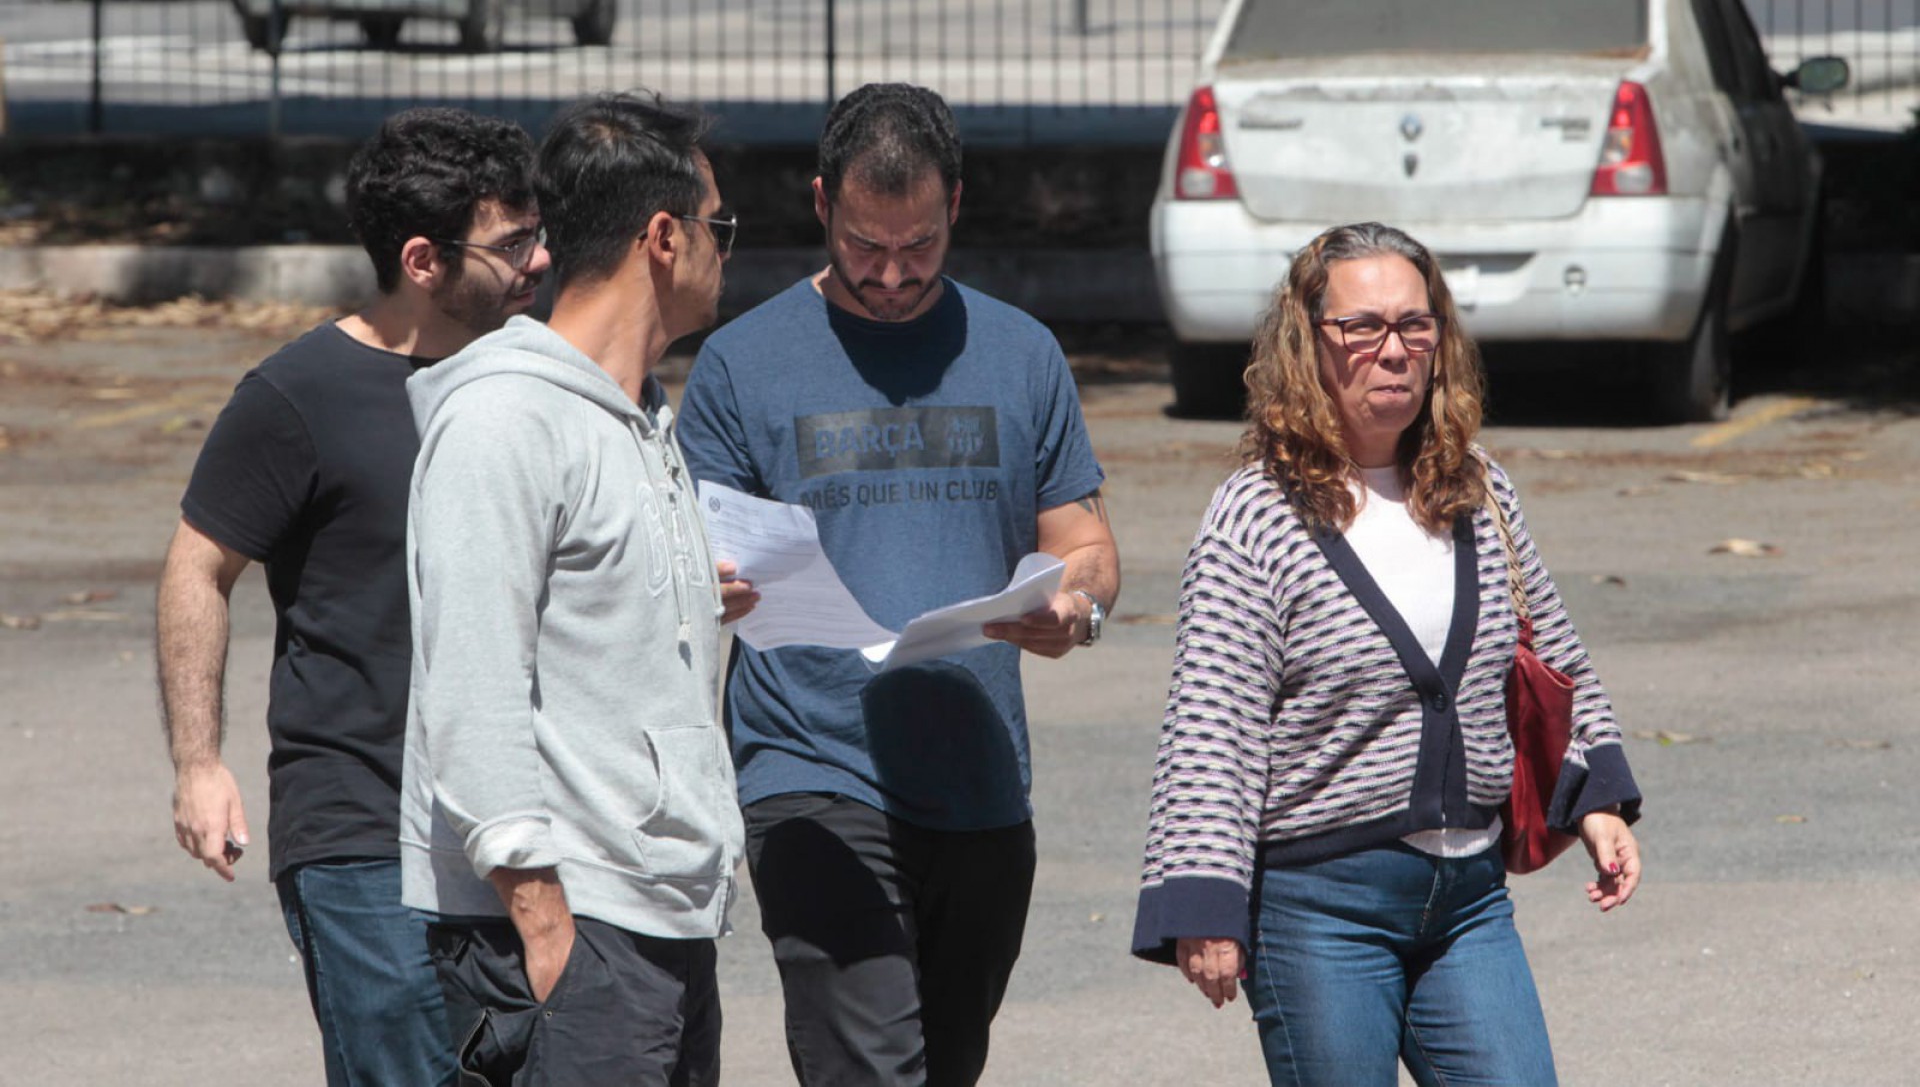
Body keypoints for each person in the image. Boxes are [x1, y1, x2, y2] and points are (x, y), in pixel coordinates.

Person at [675, 82, 1119, 1087]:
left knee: (945, 1064)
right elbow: (691, 555)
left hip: (980, 780)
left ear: (954, 204)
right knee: (872, 1069)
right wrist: (715, 583)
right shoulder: (741, 364)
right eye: (864, 246)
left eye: (917, 247)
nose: (889, 275)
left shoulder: (1022, 352)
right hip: (809, 771)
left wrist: (1076, 608)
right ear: (821, 202)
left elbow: (1085, 542)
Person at [1131, 222, 1644, 1087]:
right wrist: (1203, 899)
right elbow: (1213, 721)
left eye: (1414, 324)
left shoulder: (1477, 486)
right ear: (1309, 344)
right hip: (1318, 910)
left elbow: (1552, 651)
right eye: (1362, 327)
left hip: (1468, 900)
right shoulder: (1256, 513)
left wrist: (1596, 801)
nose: (1394, 350)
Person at [155, 106, 547, 1087]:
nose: (539, 261)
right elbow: (198, 568)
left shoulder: (533, 377)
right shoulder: (298, 396)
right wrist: (199, 762)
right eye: (511, 244)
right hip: (361, 829)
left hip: (520, 818)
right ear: (422, 260)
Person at [400, 91, 753, 1087]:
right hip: (571, 924)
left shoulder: (638, 414)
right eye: (719, 227)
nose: (728, 252)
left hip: (660, 910)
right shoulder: (507, 420)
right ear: (664, 238)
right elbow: (470, 687)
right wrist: (545, 928)